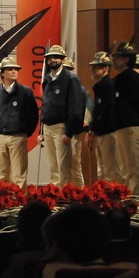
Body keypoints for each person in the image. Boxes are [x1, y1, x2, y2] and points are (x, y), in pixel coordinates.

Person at [0, 57, 39, 185]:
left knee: (19, 174)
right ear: (2, 73)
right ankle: (4, 202)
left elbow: (33, 115)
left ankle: (20, 203)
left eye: (16, 69)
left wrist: (25, 132)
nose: (14, 71)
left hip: (18, 136)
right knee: (0, 174)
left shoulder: (25, 92)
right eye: (10, 69)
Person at [38, 45, 85, 186]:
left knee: (64, 167)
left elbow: (75, 108)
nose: (53, 59)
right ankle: (55, 197)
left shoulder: (71, 79)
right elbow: (45, 106)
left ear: (63, 60)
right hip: (48, 128)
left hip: (61, 128)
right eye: (50, 57)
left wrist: (69, 132)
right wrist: (41, 131)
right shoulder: (47, 80)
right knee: (53, 168)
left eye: (56, 57)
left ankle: (65, 198)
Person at [111, 41, 139, 197]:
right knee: (126, 171)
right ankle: (129, 203)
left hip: (132, 128)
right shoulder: (118, 79)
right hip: (122, 129)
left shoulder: (133, 78)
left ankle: (138, 206)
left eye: (118, 57)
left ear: (127, 59)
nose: (114, 60)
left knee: (135, 171)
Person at [86, 52, 121, 183]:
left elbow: (107, 111)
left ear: (106, 68)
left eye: (97, 67)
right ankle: (104, 197)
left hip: (109, 131)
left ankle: (115, 198)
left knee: (111, 169)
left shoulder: (109, 85)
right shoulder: (100, 87)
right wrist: (92, 130)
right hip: (100, 132)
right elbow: (97, 111)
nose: (93, 70)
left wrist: (96, 127)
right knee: (102, 170)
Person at [62, 56, 87, 187]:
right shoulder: (61, 89)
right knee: (62, 165)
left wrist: (71, 131)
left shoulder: (79, 89)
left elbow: (80, 113)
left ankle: (80, 192)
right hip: (62, 130)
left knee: (75, 164)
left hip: (74, 132)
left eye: (68, 70)